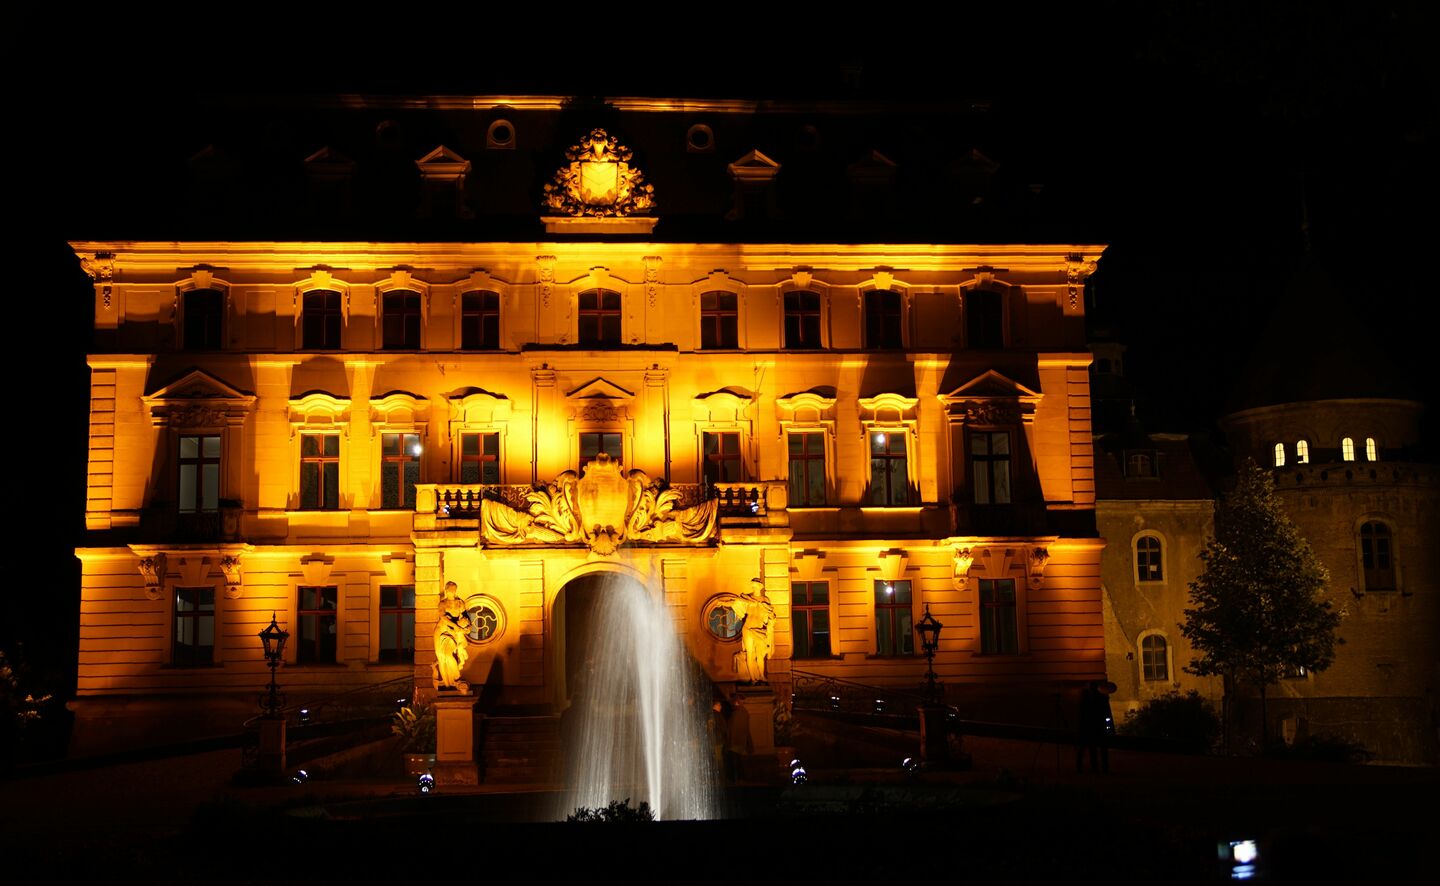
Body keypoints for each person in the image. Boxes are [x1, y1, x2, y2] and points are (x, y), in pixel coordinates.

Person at [732, 579, 775, 683]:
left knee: (760, 655)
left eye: (755, 586)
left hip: (760, 629)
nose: (753, 587)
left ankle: (762, 676)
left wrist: (772, 618)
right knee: (750, 653)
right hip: (748, 628)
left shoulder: (766, 599)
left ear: (760, 587)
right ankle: (753, 678)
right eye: (753, 586)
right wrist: (722, 602)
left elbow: (770, 614)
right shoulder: (747, 598)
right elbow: (734, 602)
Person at [432, 581, 471, 693]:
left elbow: (466, 616)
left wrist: (468, 627)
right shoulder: (443, 603)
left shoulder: (460, 603)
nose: (451, 592)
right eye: (450, 590)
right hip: (441, 631)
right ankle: (446, 682)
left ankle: (455, 678)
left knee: (448, 655)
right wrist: (456, 627)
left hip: (453, 633)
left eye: (453, 590)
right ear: (446, 590)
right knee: (441, 657)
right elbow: (443, 617)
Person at [1076, 679, 1116, 773]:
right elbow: (1107, 714)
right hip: (1097, 726)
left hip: (1090, 727)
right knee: (1099, 749)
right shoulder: (1102, 699)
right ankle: (1102, 768)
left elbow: (1082, 715)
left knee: (1092, 749)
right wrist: (1109, 727)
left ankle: (1094, 768)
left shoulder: (1085, 699)